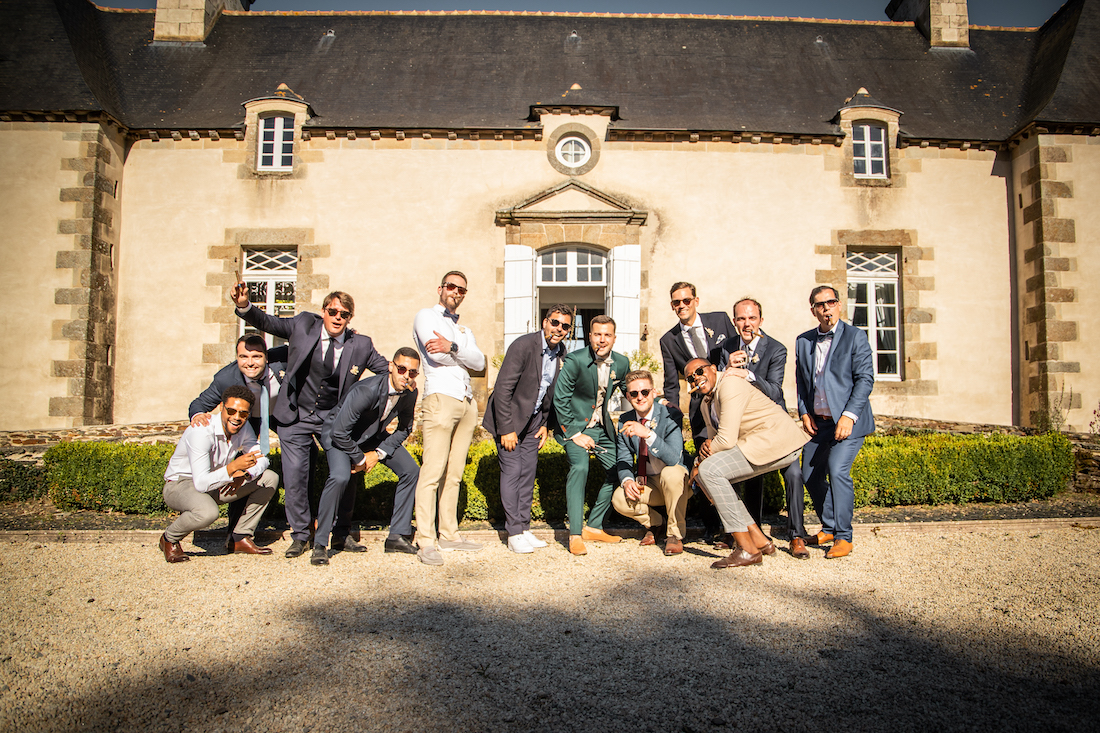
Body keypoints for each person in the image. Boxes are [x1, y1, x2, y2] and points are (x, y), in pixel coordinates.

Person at [231, 285, 387, 558]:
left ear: (350, 318)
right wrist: (245, 305)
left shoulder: (360, 344)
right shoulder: (303, 325)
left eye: (344, 314)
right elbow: (268, 322)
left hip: (334, 420)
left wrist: (371, 399)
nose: (338, 317)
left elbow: (387, 372)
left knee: (345, 472)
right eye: (333, 311)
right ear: (324, 311)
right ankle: (301, 536)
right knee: (295, 477)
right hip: (296, 416)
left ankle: (340, 534)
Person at [686, 359, 810, 569]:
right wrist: (701, 460)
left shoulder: (729, 384)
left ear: (713, 369)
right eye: (690, 378)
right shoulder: (706, 403)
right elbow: (714, 439)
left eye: (699, 371)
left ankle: (747, 549)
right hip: (756, 444)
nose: (696, 378)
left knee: (709, 471)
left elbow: (725, 441)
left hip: (777, 441)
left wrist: (699, 461)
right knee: (706, 474)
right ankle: (759, 540)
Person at [312, 348, 423, 565]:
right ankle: (320, 543)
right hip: (339, 436)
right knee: (341, 476)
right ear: (391, 367)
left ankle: (397, 536)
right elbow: (339, 432)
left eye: (413, 372)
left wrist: (377, 454)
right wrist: (361, 459)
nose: (407, 376)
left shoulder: (410, 392)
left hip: (372, 436)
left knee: (411, 471)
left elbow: (404, 428)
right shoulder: (366, 390)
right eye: (402, 369)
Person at [721, 297, 810, 558]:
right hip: (746, 426)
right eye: (741, 318)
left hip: (774, 425)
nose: (747, 323)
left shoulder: (776, 349)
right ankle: (752, 533)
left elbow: (774, 391)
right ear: (734, 321)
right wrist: (727, 368)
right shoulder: (726, 347)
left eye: (752, 318)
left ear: (761, 320)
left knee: (794, 474)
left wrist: (747, 374)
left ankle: (796, 536)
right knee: (749, 476)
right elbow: (719, 385)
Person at [794, 286, 875, 559]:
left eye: (830, 302)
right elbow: (802, 381)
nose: (826, 307)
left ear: (839, 305)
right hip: (818, 423)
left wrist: (848, 416)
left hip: (849, 422)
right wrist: (804, 412)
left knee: (837, 470)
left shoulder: (855, 337)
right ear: (813, 311)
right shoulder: (803, 341)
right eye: (820, 304)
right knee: (809, 474)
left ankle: (843, 536)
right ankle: (828, 527)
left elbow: (865, 379)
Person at [483, 305, 572, 554]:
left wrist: (545, 424)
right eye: (555, 322)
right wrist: (506, 429)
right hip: (509, 419)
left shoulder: (561, 352)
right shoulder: (523, 346)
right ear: (545, 322)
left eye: (565, 326)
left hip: (534, 421)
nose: (559, 329)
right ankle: (513, 533)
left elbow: (548, 392)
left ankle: (523, 528)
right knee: (513, 471)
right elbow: (502, 389)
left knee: (528, 473)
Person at [412, 271, 487, 566]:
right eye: (452, 286)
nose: (456, 292)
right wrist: (458, 353)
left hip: (466, 401)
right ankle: (425, 540)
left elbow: (479, 362)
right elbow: (436, 356)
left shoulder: (464, 330)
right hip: (441, 396)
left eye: (462, 289)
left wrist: (452, 346)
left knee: (454, 473)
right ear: (441, 288)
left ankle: (449, 534)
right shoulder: (426, 316)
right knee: (432, 471)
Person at [159, 385, 279, 563]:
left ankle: (239, 538)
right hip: (181, 484)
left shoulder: (243, 428)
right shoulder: (201, 431)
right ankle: (169, 538)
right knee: (207, 512)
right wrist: (232, 468)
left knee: (269, 478)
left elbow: (261, 458)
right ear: (221, 407)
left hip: (216, 482)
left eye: (243, 413)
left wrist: (245, 474)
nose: (237, 417)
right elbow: (201, 483)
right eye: (231, 411)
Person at [188, 334, 285, 545]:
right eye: (243, 356)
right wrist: (198, 415)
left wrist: (347, 337)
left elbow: (312, 346)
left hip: (280, 414)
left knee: (304, 454)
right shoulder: (226, 378)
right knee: (240, 469)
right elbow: (199, 403)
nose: (250, 362)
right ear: (237, 358)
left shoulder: (283, 361)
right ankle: (234, 535)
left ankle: (304, 523)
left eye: (256, 356)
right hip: (247, 420)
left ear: (266, 357)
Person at [553, 315, 631, 556]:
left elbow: (631, 391)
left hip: (602, 427)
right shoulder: (575, 360)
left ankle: (594, 526)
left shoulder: (622, 363)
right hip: (575, 426)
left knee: (620, 469)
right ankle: (575, 534)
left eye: (607, 335)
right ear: (590, 337)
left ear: (614, 338)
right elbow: (560, 399)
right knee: (580, 468)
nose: (602, 339)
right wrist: (575, 434)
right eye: (597, 334)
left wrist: (657, 403)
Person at [612, 370, 691, 555]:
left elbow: (674, 458)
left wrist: (647, 434)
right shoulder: (624, 419)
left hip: (677, 483)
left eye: (645, 392)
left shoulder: (670, 414)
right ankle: (656, 523)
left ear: (654, 392)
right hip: (650, 484)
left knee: (671, 473)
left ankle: (675, 535)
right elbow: (623, 458)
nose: (640, 397)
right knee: (619, 498)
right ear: (628, 397)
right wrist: (627, 481)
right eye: (634, 393)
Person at [658, 282, 736, 442]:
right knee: (703, 450)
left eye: (686, 300)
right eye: (676, 302)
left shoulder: (720, 320)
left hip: (731, 397)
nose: (682, 305)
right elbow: (671, 385)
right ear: (672, 306)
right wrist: (672, 426)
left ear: (696, 301)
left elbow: (738, 350)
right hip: (700, 405)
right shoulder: (668, 340)